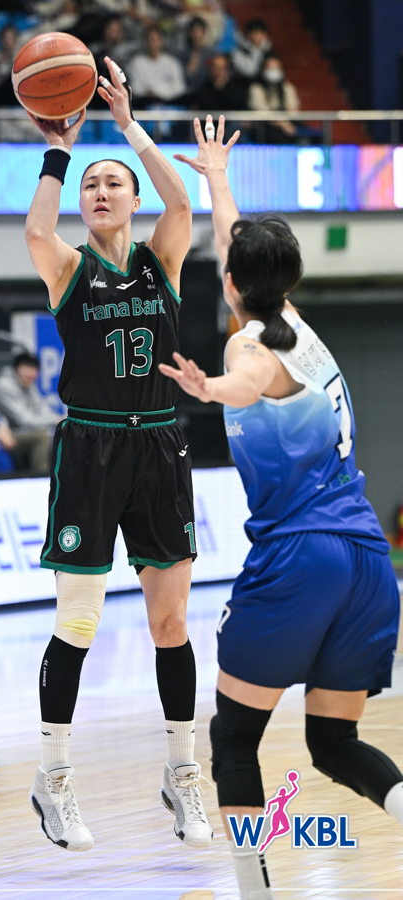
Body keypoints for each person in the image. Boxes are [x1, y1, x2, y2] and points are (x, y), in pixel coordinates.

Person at [161, 115, 402, 900]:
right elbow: (241, 253)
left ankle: (255, 893)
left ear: (230, 283)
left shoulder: (249, 345)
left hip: (301, 555)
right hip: (368, 560)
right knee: (333, 743)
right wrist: (217, 180)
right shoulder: (299, 324)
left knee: (234, 736)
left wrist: (209, 387)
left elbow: (247, 378)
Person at [23, 58, 212, 854]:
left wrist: (129, 125)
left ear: (133, 200)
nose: (101, 192)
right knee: (79, 619)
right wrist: (60, 147)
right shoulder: (70, 268)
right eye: (91, 185)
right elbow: (36, 232)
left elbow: (184, 200)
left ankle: (183, 772)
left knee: (170, 622)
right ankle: (54, 780)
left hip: (161, 442)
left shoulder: (159, 261)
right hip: (92, 446)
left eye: (114, 184)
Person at [0, 353, 59, 476]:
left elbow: (41, 409)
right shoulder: (4, 386)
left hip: (22, 431)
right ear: (16, 368)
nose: (30, 373)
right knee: (42, 437)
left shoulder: (28, 384)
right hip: (5, 434)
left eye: (34, 369)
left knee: (59, 432)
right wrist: (55, 420)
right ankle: (41, 478)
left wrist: (59, 420)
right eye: (26, 368)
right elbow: (23, 420)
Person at [248, 54, 300, 144]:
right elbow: (263, 113)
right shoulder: (256, 88)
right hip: (266, 126)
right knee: (279, 138)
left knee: (307, 136)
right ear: (263, 70)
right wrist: (283, 124)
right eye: (270, 68)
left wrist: (287, 123)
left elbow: (293, 110)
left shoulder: (287, 87)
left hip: (288, 123)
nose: (274, 71)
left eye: (276, 68)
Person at [130, 26, 187, 106]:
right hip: (145, 103)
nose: (152, 43)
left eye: (154, 40)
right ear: (145, 42)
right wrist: (148, 93)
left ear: (161, 41)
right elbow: (135, 87)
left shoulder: (172, 62)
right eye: (149, 40)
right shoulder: (137, 63)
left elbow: (180, 87)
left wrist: (159, 92)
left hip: (169, 103)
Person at [231, 17, 272, 82]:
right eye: (255, 33)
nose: (257, 36)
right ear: (248, 34)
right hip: (242, 83)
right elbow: (249, 72)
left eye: (261, 33)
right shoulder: (238, 50)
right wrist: (256, 50)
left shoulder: (269, 51)